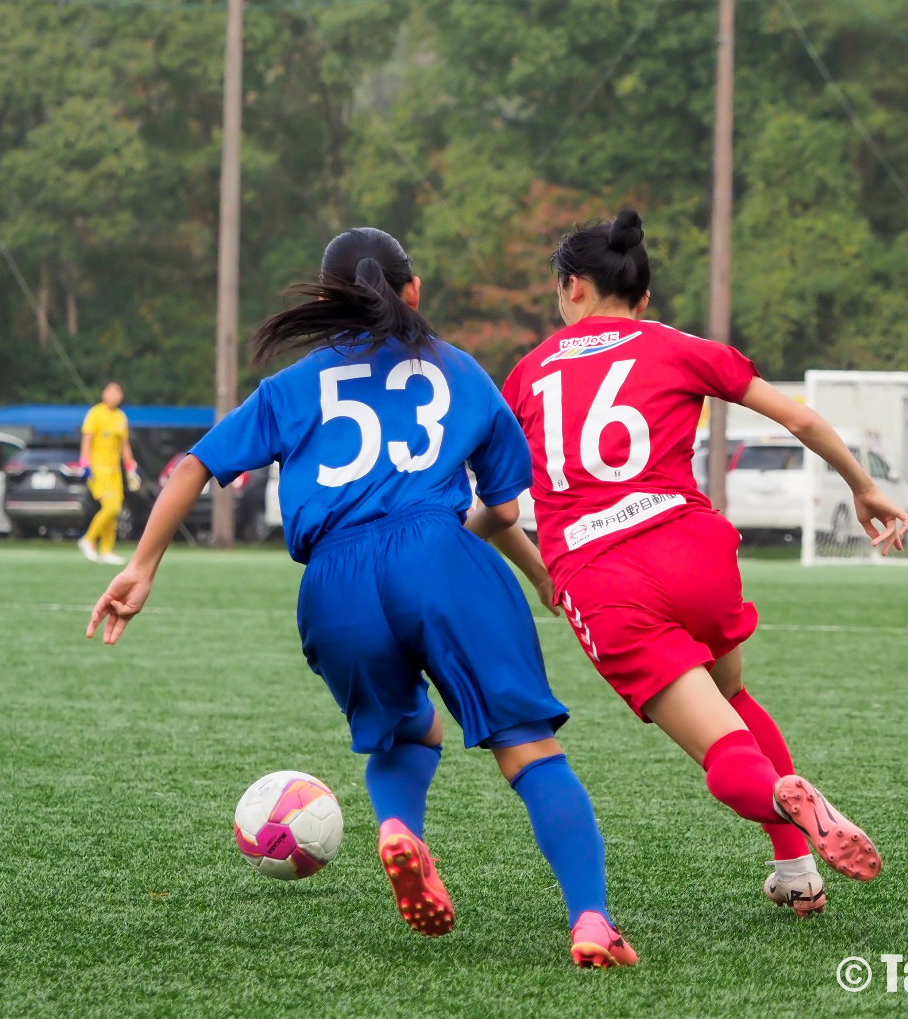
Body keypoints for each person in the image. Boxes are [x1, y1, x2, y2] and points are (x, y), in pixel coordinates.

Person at [85, 228, 637, 968]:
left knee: (406, 732)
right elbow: (503, 512)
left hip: (333, 582)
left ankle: (399, 826)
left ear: (323, 301)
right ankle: (593, 920)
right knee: (529, 749)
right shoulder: (463, 372)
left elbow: (191, 466)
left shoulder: (290, 386)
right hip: (439, 553)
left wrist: (142, 566)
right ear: (412, 292)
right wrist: (539, 577)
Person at [497, 208, 908, 918]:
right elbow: (801, 418)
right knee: (735, 697)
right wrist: (862, 486)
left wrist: (536, 571)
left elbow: (495, 509)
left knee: (723, 751)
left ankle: (784, 795)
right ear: (644, 297)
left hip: (604, 575)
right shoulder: (675, 344)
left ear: (570, 287)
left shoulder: (528, 374)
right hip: (693, 547)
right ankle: (796, 867)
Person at [77, 382, 141, 565]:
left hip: (114, 470)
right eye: (110, 392)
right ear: (104, 394)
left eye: (117, 392)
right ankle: (88, 539)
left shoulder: (121, 417)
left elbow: (124, 445)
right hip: (99, 468)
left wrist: (130, 467)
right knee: (111, 507)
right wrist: (85, 463)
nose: (114, 395)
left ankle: (106, 550)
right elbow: (87, 439)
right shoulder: (96, 413)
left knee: (115, 510)